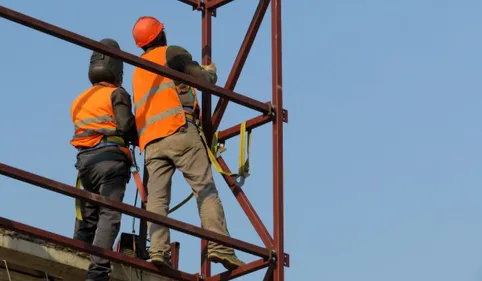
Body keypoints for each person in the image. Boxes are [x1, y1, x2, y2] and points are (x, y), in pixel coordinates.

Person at [130, 16, 245, 271]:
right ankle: (219, 246)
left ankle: (158, 250)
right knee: (204, 189)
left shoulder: (137, 69)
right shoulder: (171, 53)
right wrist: (210, 72)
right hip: (179, 129)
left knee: (157, 201)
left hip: (151, 142)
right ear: (160, 35)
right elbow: (202, 79)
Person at [70, 38, 138, 281]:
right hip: (110, 161)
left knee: (88, 217)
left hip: (85, 165)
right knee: (109, 214)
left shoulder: (80, 100)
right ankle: (97, 273)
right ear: (117, 68)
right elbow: (125, 125)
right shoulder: (116, 93)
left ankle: (74, 259)